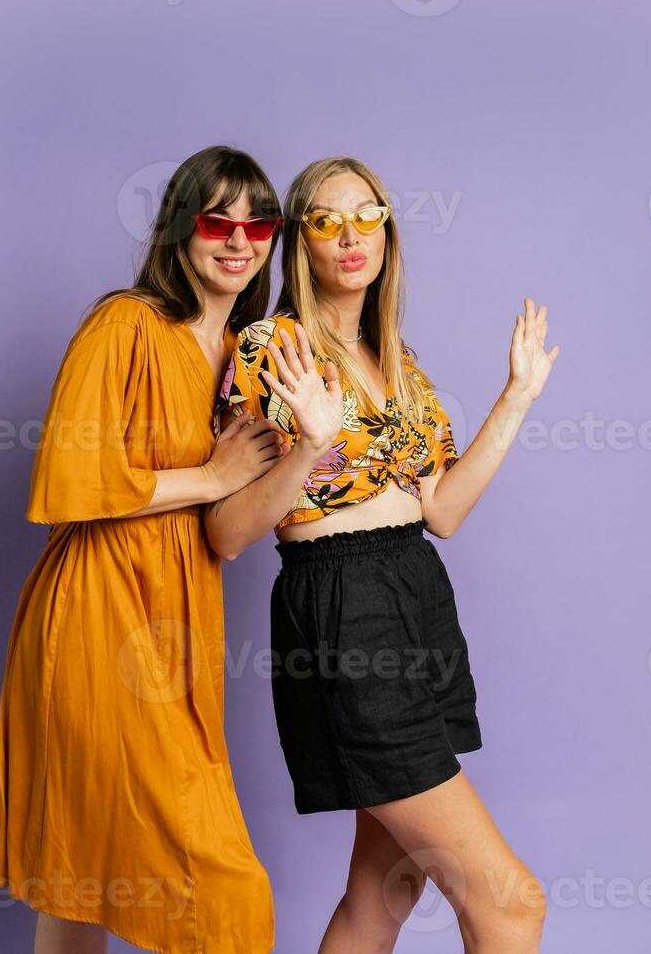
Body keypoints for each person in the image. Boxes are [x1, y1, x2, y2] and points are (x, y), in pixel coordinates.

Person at [208, 156, 560, 953]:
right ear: (303, 240)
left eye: (366, 215)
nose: (350, 235)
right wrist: (311, 447)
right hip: (345, 611)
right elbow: (225, 534)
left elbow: (443, 510)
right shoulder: (274, 348)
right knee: (512, 903)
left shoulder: (397, 359)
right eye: (327, 221)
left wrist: (516, 398)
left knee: (381, 896)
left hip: (416, 597)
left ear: (388, 229)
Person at [0, 146, 286, 954]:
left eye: (258, 223)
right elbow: (72, 477)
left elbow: (231, 524)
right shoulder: (127, 323)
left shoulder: (249, 360)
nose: (238, 240)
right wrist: (212, 470)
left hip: (180, 616)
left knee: (84, 879)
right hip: (95, 612)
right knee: (198, 875)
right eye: (217, 220)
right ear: (179, 230)